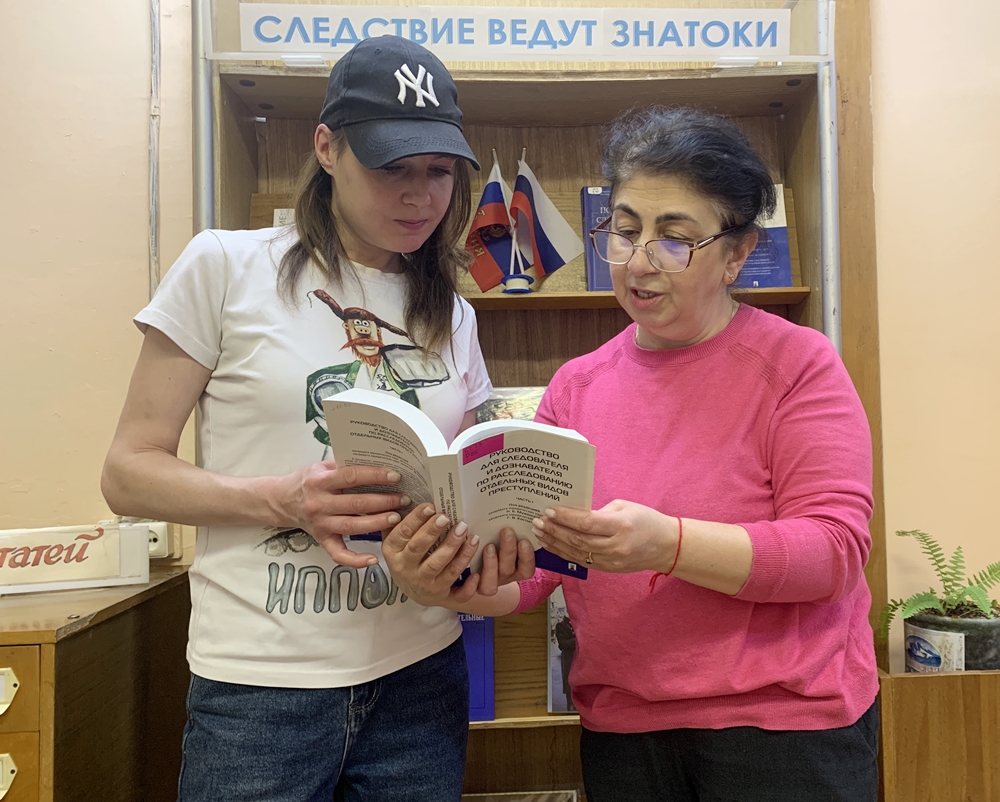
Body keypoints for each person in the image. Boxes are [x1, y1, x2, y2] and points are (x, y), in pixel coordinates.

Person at [383, 106, 880, 802]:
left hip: (782, 729)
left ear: (737, 253)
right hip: (624, 731)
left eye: (674, 238)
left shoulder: (797, 364)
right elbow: (537, 573)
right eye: (624, 230)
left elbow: (832, 553)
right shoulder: (576, 386)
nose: (639, 261)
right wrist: (447, 582)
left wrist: (665, 545)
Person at [101, 35, 491, 802]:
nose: (420, 196)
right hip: (262, 687)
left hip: (423, 674)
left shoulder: (454, 313)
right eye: (392, 168)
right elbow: (127, 473)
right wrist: (280, 499)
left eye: (439, 171)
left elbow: (461, 485)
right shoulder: (225, 266)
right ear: (327, 148)